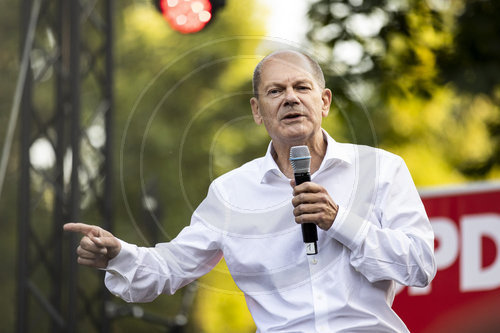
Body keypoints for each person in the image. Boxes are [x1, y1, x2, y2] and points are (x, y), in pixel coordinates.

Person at [64, 50, 436, 332]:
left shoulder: (381, 169)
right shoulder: (231, 194)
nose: (290, 98)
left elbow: (420, 265)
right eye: (276, 91)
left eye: (301, 87)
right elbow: (169, 268)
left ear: (324, 101)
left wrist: (340, 222)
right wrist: (118, 254)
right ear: (258, 111)